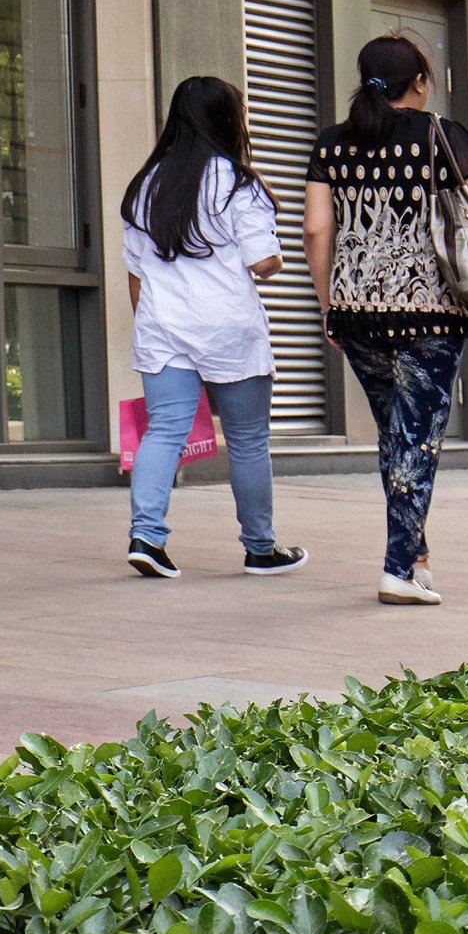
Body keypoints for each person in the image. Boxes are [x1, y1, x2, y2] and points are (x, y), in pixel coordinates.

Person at [307, 32, 468, 607]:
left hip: (357, 311)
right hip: (429, 312)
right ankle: (396, 569)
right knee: (418, 438)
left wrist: (328, 308)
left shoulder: (332, 144)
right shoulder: (441, 135)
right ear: (420, 82)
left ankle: (415, 556)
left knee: (398, 435)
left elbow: (316, 230)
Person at [118, 77, 301, 582]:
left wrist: (153, 325)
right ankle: (260, 549)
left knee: (164, 432)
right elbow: (264, 263)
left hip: (162, 328)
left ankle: (147, 538)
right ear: (227, 120)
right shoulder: (239, 183)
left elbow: (136, 275)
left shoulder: (144, 185)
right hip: (227, 329)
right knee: (246, 440)